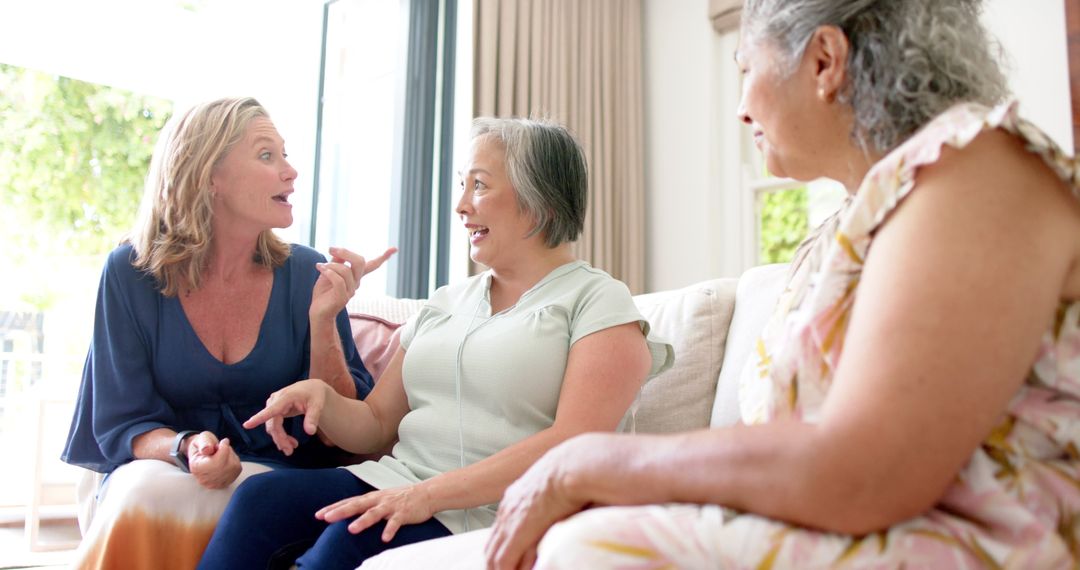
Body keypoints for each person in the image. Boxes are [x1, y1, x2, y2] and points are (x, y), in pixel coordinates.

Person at [360, 1, 1080, 568]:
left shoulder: (976, 170)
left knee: (590, 551)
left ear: (825, 61)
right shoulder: (851, 228)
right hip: (857, 522)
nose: (741, 107)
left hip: (987, 542)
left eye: (746, 67)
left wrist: (589, 462)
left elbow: (867, 470)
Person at [196, 117, 673, 570]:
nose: (462, 205)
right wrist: (320, 397)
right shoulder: (447, 301)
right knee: (260, 500)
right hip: (396, 481)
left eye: (480, 185)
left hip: (490, 507)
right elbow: (377, 425)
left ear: (540, 198)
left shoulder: (597, 300)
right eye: (462, 185)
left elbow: (573, 442)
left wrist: (428, 496)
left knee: (355, 535)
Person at [61, 96, 394, 569]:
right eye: (266, 155)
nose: (291, 171)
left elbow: (343, 434)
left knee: (207, 498)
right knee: (144, 488)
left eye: (285, 153)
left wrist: (322, 322)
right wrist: (186, 446)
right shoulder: (130, 272)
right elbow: (121, 420)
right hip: (168, 468)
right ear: (209, 176)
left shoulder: (305, 273)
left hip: (276, 482)